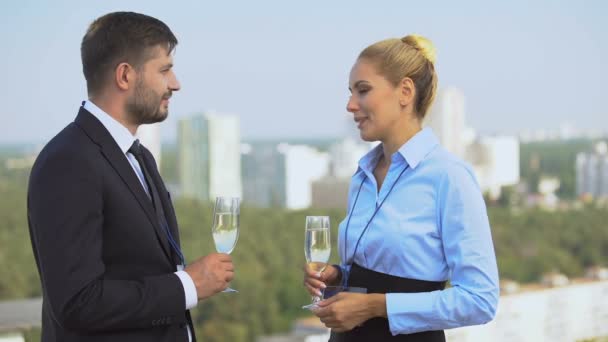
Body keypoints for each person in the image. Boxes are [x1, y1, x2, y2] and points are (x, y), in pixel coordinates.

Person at [27, 12, 234, 342]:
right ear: (125, 75)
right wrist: (188, 285)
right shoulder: (69, 161)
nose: (175, 83)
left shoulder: (139, 157)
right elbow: (78, 303)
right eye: (164, 69)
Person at [303, 34, 499, 341]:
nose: (350, 105)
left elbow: (480, 300)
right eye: (350, 92)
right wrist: (339, 276)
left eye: (363, 91)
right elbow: (378, 269)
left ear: (405, 91)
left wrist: (374, 306)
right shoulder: (363, 173)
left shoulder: (450, 176)